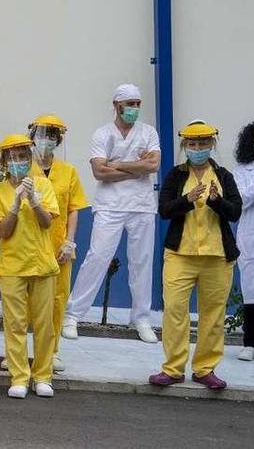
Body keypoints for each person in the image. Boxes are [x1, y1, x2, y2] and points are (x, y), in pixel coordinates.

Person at [62, 84, 161, 344]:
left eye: (138, 104)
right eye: (130, 104)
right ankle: (73, 314)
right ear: (117, 105)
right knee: (97, 257)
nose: (134, 109)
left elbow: (153, 165)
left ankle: (141, 317)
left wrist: (118, 163)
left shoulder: (148, 132)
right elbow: (99, 172)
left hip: (141, 205)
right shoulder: (102, 134)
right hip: (109, 205)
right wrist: (137, 168)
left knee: (142, 261)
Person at [150, 121, 241, 390]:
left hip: (217, 256)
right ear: (185, 147)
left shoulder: (223, 176)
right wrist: (187, 199)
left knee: (212, 314)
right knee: (175, 310)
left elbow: (235, 211)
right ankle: (173, 368)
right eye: (192, 144)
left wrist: (215, 201)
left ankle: (205, 368)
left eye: (203, 144)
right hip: (180, 254)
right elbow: (164, 210)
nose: (198, 149)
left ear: (211, 145)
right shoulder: (176, 175)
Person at [0, 134, 60, 399]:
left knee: (44, 325)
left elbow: (46, 223)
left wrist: (35, 201)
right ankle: (19, 376)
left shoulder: (42, 184)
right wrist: (16, 205)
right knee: (15, 324)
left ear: (30, 159)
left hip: (42, 264)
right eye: (12, 157)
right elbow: (4, 232)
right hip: (12, 266)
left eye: (22, 157)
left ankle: (43, 376)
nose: (17, 162)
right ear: (4, 161)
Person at [28, 115, 88, 372]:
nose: (46, 141)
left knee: (56, 301)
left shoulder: (68, 171)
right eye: (41, 135)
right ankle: (16, 351)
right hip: (27, 244)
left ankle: (51, 352)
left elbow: (73, 208)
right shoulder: (23, 166)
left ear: (58, 140)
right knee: (22, 302)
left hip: (57, 247)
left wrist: (69, 242)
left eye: (52, 136)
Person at [233, 117, 254, 361]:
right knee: (253, 290)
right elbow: (240, 201)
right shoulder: (242, 170)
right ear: (252, 141)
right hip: (253, 236)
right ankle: (250, 343)